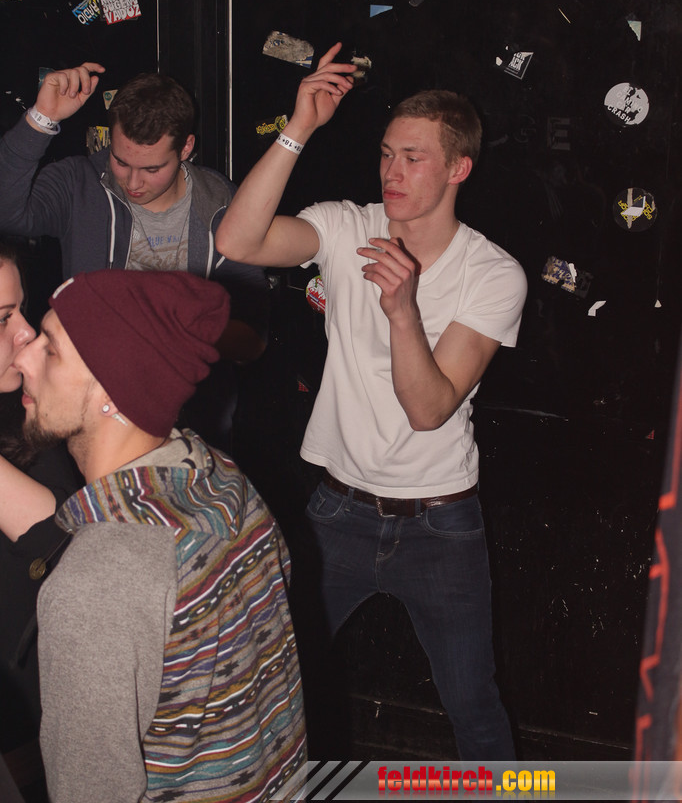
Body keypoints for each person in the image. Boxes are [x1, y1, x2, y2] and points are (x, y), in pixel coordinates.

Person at [215, 43, 528, 760]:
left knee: (472, 703)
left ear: (458, 169)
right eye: (387, 154)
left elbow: (429, 409)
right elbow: (236, 238)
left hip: (440, 521)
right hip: (338, 511)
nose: (392, 171)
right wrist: (299, 128)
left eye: (413, 158)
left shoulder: (492, 273)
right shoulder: (347, 226)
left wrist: (403, 311)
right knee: (270, 680)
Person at [14, 269, 306, 803]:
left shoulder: (95, 585)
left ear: (112, 393)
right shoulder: (225, 483)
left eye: (50, 350)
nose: (23, 358)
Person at [0, 62, 269, 371]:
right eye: (121, 161)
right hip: (86, 390)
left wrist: (172, 329)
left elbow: (252, 339)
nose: (133, 182)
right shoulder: (80, 184)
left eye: (152, 169)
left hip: (189, 399)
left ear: (185, 148)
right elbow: (7, 214)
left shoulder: (222, 203)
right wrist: (41, 118)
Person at [0, 241, 80, 802]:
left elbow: (67, 541)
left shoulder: (23, 412)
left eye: (19, 310)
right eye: (3, 318)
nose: (26, 332)